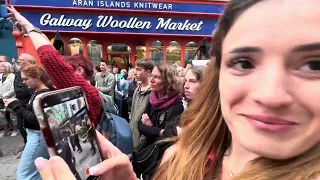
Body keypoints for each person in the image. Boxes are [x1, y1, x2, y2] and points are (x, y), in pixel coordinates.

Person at [34, 0, 320, 179]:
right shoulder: (182, 157)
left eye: (313, 65)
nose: (270, 95)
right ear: (220, 76)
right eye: (244, 62)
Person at [4, 65, 54, 180]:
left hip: (37, 136)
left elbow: (36, 120)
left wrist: (15, 106)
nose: (24, 82)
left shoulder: (41, 94)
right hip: (40, 136)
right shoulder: (41, 92)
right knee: (40, 169)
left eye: (26, 79)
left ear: (37, 77)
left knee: (25, 174)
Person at [138, 64, 184, 148]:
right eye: (152, 75)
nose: (151, 80)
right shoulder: (152, 98)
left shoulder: (177, 105)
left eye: (157, 77)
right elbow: (140, 126)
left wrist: (151, 127)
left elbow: (169, 136)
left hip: (161, 153)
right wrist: (159, 131)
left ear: (168, 81)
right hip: (146, 148)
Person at [129, 59, 154, 151]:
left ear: (148, 72)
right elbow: (132, 113)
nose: (135, 72)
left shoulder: (153, 93)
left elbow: (149, 119)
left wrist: (142, 141)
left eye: (139, 69)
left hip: (143, 141)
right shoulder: (137, 89)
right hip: (132, 136)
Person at [13, 53, 35, 155]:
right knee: (20, 126)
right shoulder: (18, 74)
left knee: (31, 125)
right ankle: (26, 144)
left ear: (31, 62)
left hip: (31, 104)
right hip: (20, 103)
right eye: (19, 60)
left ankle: (31, 147)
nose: (20, 62)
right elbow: (16, 88)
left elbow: (30, 90)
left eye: (23, 60)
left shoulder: (35, 72)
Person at [0, 62, 18, 137]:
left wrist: (4, 95)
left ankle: (15, 130)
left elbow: (13, 89)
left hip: (10, 98)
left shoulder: (13, 76)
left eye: (2, 67)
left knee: (13, 115)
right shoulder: (0, 76)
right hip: (0, 99)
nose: (0, 68)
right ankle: (6, 130)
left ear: (7, 67)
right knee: (1, 115)